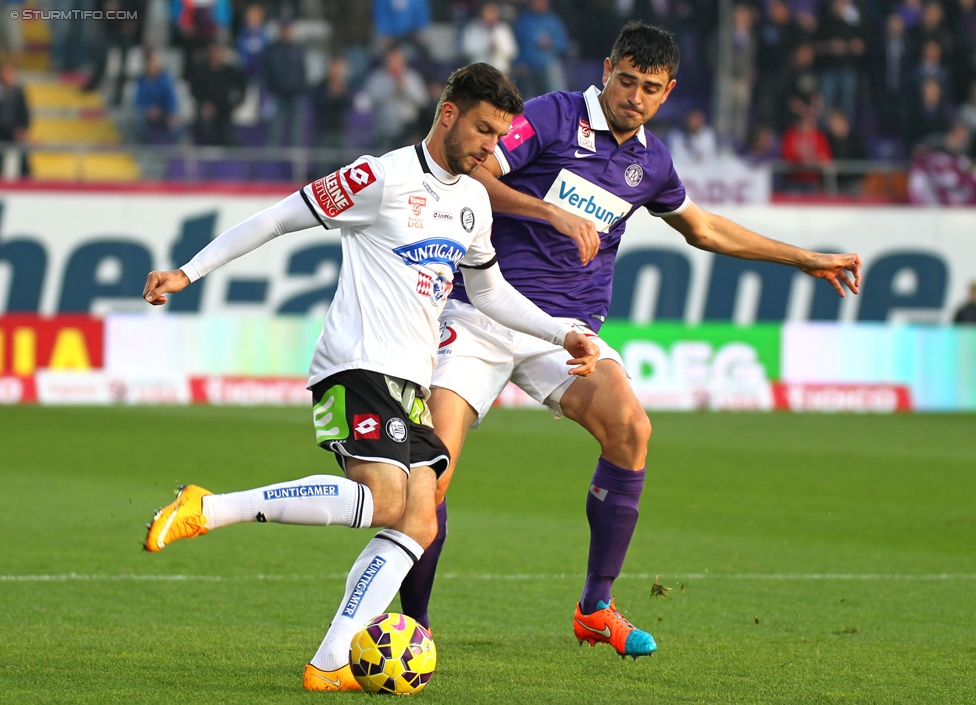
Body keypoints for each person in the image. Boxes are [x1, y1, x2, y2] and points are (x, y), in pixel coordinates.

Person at [396, 21, 862, 659]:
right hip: (481, 314)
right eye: (625, 81)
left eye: (649, 88)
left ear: (667, 91)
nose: (634, 97)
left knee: (632, 429)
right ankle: (413, 627)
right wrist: (549, 211)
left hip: (566, 335)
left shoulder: (652, 163)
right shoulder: (552, 117)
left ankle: (595, 608)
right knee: (433, 477)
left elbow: (704, 230)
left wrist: (805, 258)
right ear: (608, 68)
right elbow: (474, 175)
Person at [139, 62, 599, 691]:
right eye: (484, 131)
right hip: (355, 366)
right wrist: (187, 273)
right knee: (385, 500)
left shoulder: (471, 201)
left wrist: (561, 332)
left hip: (410, 381)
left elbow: (489, 291)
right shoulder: (379, 177)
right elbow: (277, 218)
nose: (492, 149)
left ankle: (329, 664)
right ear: (448, 114)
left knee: (420, 518)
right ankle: (210, 508)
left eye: (499, 136)